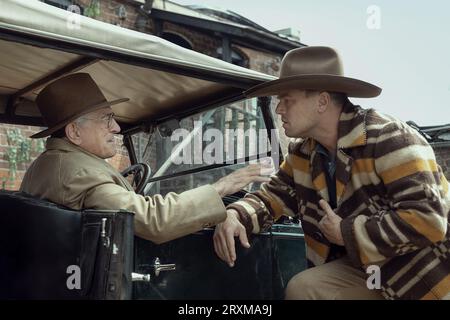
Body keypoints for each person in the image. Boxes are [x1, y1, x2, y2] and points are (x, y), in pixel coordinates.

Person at [213, 46, 450, 300]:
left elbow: (428, 219)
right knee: (305, 289)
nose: (279, 109)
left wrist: (346, 232)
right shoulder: (304, 154)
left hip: (423, 277)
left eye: (286, 99)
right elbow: (271, 198)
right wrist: (234, 214)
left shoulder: (389, 137)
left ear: (322, 102)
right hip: (368, 270)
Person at [20, 73, 271, 244]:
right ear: (74, 131)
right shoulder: (80, 174)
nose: (117, 128)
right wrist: (224, 186)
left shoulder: (48, 164)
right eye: (107, 119)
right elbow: (154, 221)